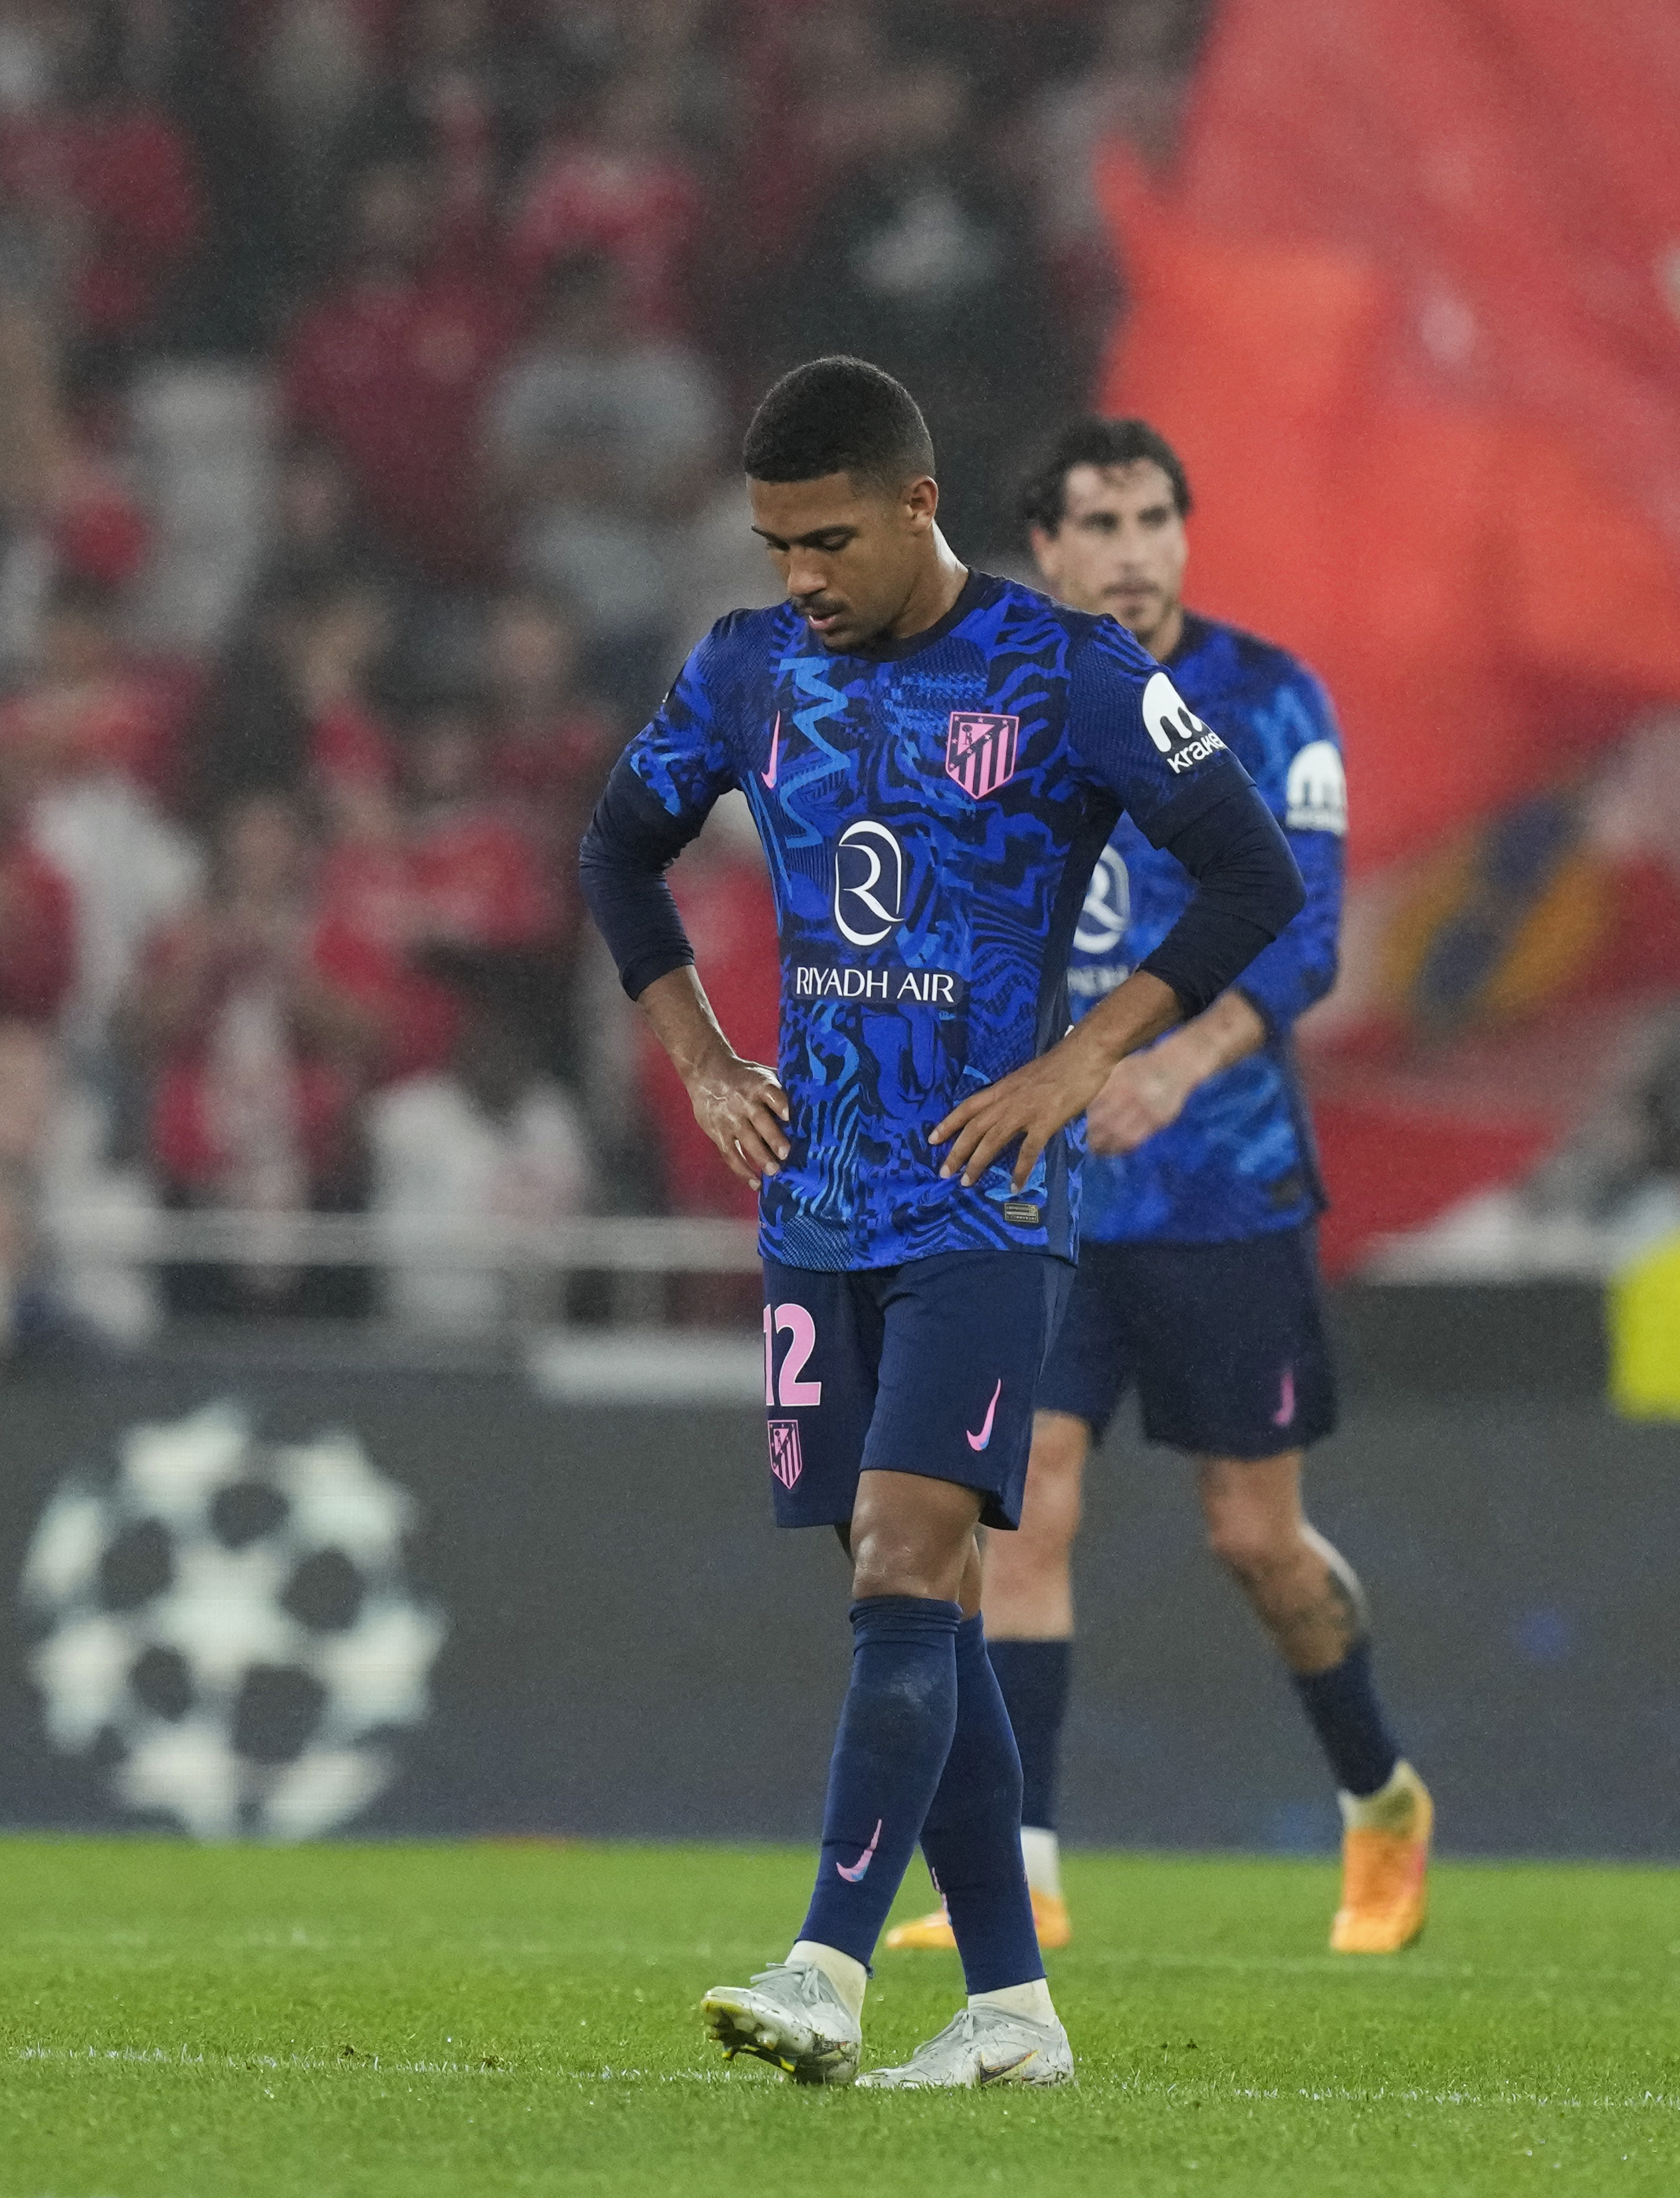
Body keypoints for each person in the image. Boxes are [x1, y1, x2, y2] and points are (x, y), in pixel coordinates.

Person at [579, 360, 1301, 2088]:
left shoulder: (1061, 670)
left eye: (828, 538)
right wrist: (697, 1059)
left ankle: (827, 1966)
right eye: (774, 545)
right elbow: (617, 849)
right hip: (814, 1200)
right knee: (925, 1607)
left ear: (917, 505)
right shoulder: (753, 670)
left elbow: (1253, 874)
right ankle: (1013, 2011)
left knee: (908, 1569)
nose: (801, 577)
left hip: (980, 1201)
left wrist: (1081, 1059)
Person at [879, 419, 1427, 1961]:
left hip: (1221, 1187)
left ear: (1183, 534)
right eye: (1093, 523)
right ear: (1040, 551)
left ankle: (1377, 1796)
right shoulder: (990, 707)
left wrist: (1175, 1069)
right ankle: (1025, 1873)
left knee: (1251, 1538)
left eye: (1149, 518)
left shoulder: (1268, 701)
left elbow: (1305, 934)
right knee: (1025, 1501)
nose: (1126, 548)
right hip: (1045, 1198)